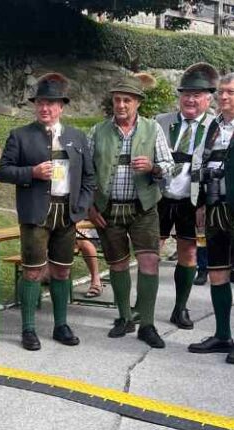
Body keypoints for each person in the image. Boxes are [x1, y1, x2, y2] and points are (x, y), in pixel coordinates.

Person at [0, 73, 95, 351]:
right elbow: (3, 171)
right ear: (35, 105)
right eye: (41, 102)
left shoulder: (76, 137)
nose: (45, 108)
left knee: (62, 272)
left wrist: (82, 207)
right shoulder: (20, 135)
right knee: (32, 272)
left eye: (51, 103)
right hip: (35, 212)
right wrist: (32, 172)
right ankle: (28, 329)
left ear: (61, 106)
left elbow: (89, 176)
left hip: (67, 212)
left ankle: (61, 325)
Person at [87, 73, 175, 348]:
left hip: (144, 207)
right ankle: (125, 317)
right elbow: (86, 174)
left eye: (127, 100)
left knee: (149, 261)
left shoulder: (152, 129)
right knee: (117, 263)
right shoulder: (97, 131)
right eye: (117, 100)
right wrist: (89, 207)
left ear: (138, 102)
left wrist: (153, 168)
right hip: (107, 209)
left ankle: (146, 324)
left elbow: (170, 165)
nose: (121, 105)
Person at [188, 72, 234, 363]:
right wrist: (199, 203)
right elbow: (201, 163)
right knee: (217, 272)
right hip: (213, 208)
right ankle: (222, 335)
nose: (224, 97)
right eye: (222, 92)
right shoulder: (214, 125)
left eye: (231, 92)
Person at [155, 62, 218, 329]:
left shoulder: (217, 126)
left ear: (208, 98)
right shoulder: (160, 121)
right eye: (186, 94)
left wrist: (207, 202)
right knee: (149, 252)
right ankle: (141, 307)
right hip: (159, 196)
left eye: (197, 95)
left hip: (192, 200)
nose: (190, 99)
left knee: (188, 253)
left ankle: (180, 308)